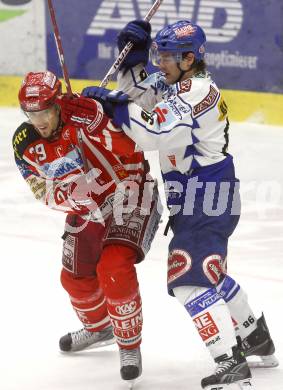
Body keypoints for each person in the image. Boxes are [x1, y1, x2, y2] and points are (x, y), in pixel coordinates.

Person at [81, 20, 279, 389]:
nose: (161, 62)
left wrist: (114, 108)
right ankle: (256, 339)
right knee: (209, 271)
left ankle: (230, 365)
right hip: (194, 195)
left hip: (208, 193)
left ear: (190, 59)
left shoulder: (197, 92)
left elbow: (154, 132)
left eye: (166, 56)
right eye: (158, 54)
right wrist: (131, 62)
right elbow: (142, 96)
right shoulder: (173, 82)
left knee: (187, 277)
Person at [13, 71, 161, 386]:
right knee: (74, 277)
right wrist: (75, 198)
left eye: (43, 111)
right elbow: (41, 190)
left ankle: (129, 345)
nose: (37, 120)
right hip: (87, 207)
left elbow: (130, 148)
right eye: (31, 113)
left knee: (113, 268)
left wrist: (99, 118)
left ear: (57, 105)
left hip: (130, 194)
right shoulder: (25, 142)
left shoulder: (86, 115)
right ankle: (100, 328)